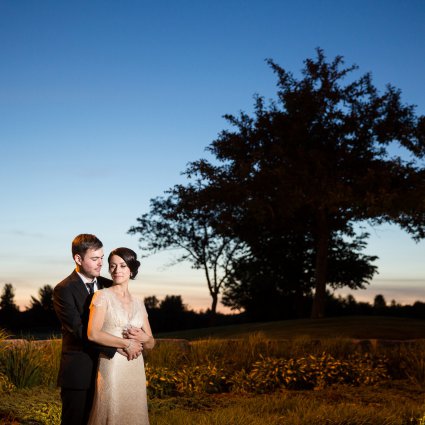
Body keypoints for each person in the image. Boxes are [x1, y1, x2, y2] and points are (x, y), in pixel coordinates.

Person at [53, 234, 141, 425]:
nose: (101, 263)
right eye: (95, 259)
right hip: (80, 371)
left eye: (102, 258)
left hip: (110, 370)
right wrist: (116, 347)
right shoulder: (63, 289)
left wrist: (139, 336)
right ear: (78, 258)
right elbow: (78, 331)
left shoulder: (108, 285)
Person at [87, 247, 155, 425]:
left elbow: (151, 343)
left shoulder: (139, 302)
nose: (117, 270)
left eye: (123, 265)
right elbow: (93, 334)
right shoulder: (101, 296)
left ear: (131, 269)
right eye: (112, 266)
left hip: (135, 368)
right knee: (112, 411)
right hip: (113, 365)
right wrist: (126, 344)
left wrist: (143, 338)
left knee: (134, 412)